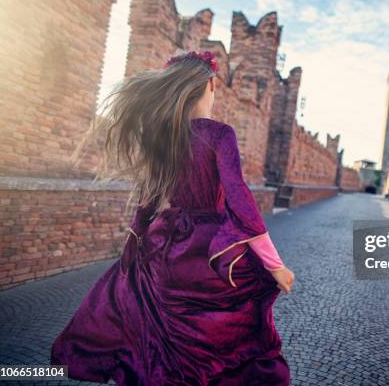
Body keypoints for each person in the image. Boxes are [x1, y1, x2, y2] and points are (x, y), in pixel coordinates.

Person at [50, 50, 295, 385]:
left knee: (163, 342)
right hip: (208, 251)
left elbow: (148, 200)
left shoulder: (164, 136)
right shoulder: (219, 134)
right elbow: (240, 198)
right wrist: (273, 263)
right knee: (225, 343)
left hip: (164, 247)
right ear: (210, 85)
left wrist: (133, 243)